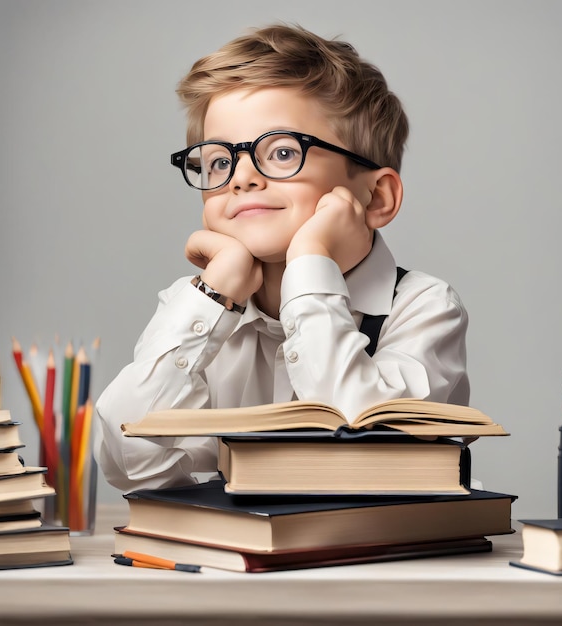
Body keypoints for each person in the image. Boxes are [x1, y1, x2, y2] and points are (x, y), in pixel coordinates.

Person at [94, 23, 470, 492]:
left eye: (283, 152)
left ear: (376, 197)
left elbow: (370, 443)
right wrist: (215, 295)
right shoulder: (199, 306)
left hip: (373, 560)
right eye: (218, 160)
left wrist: (312, 261)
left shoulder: (424, 307)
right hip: (232, 559)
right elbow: (130, 465)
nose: (241, 177)